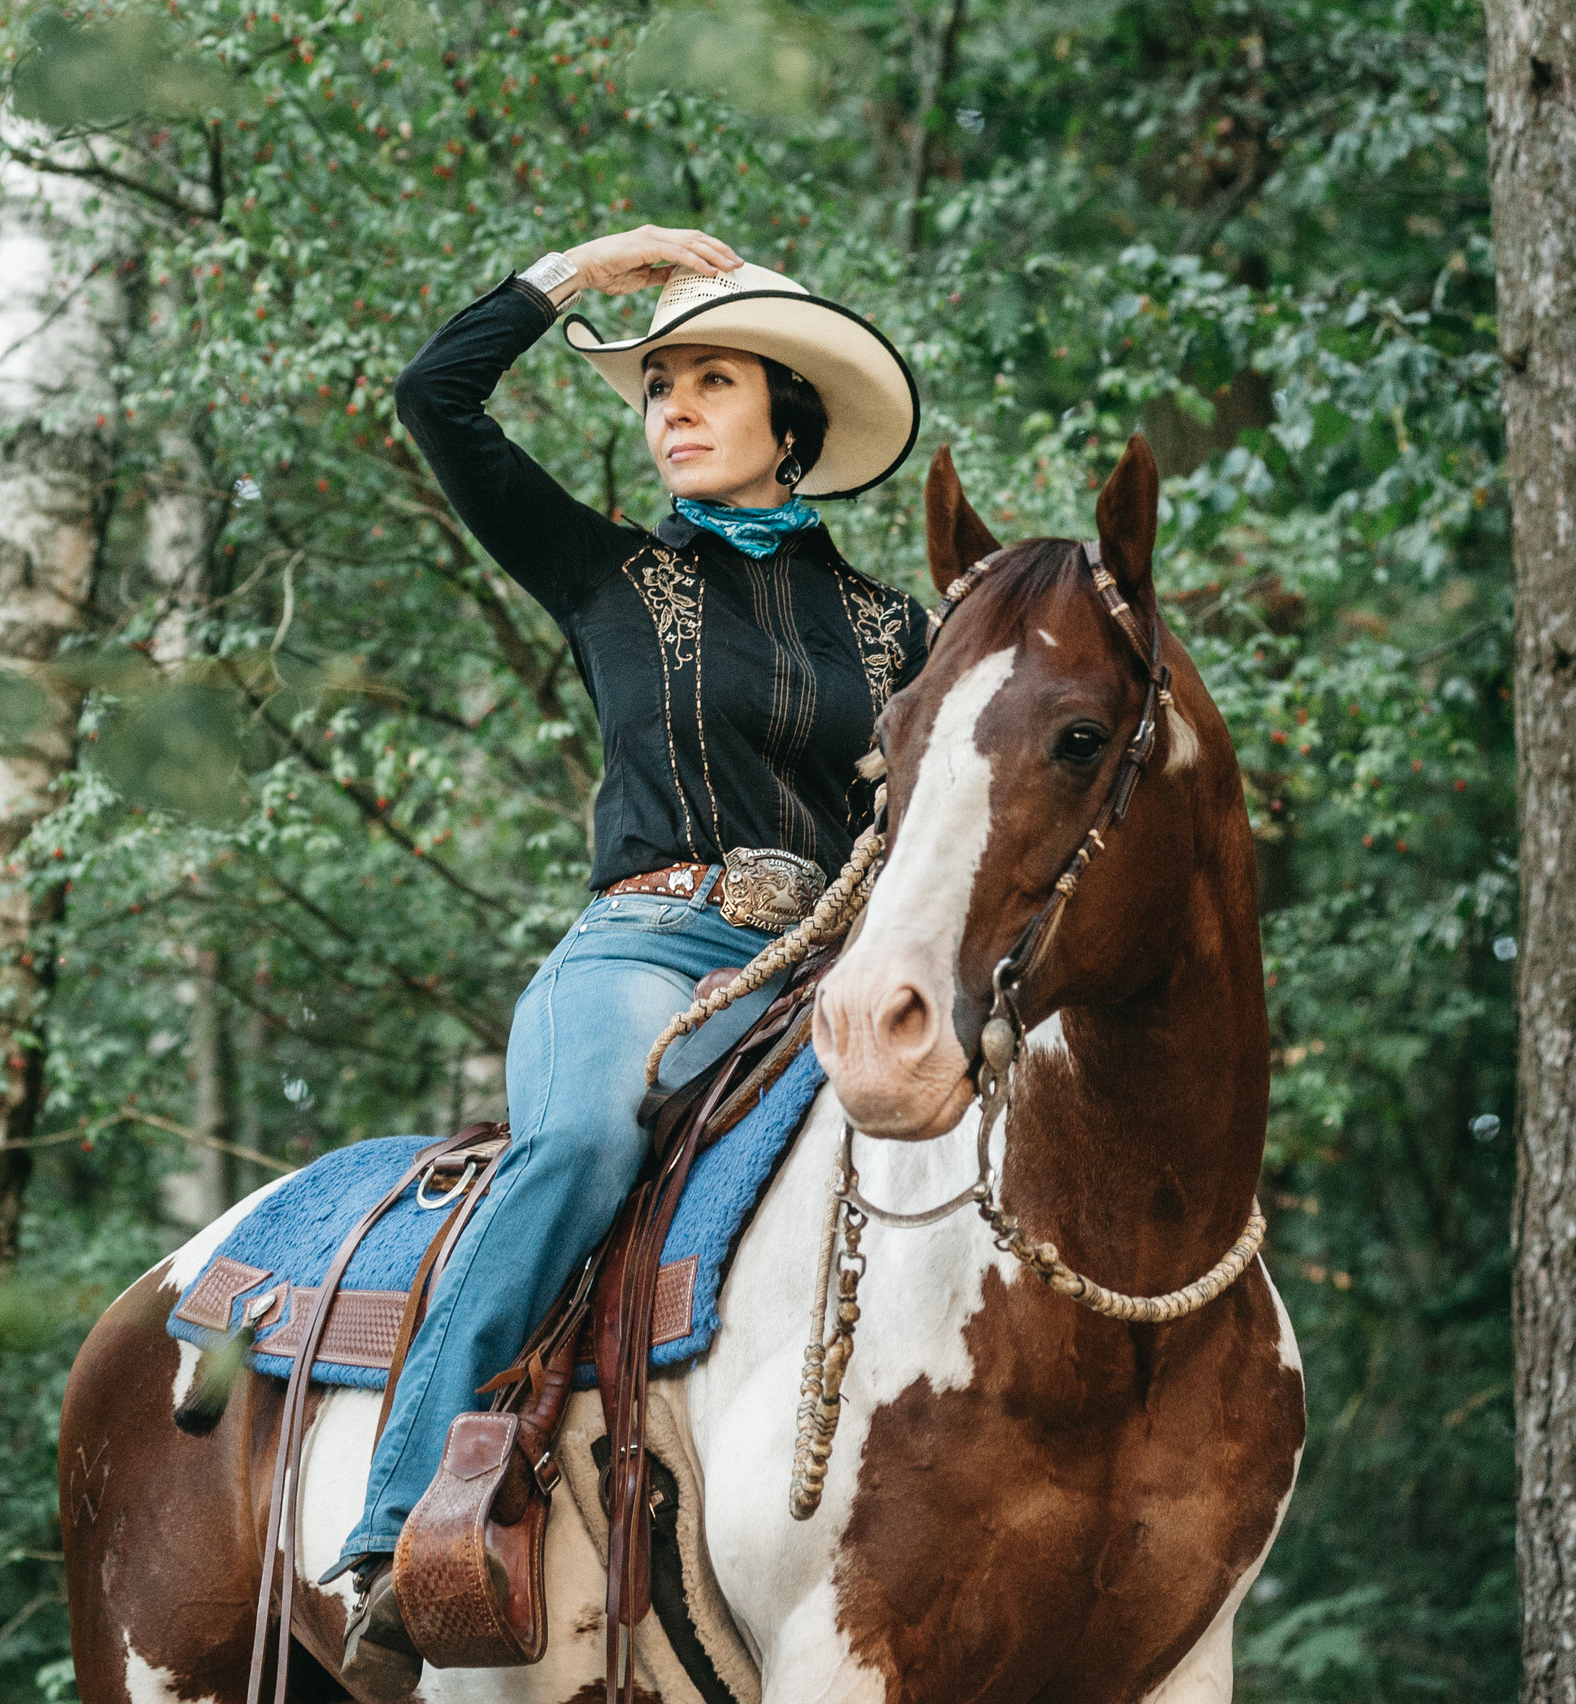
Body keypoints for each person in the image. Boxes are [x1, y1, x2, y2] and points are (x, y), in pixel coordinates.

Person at [332, 225, 931, 1702]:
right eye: (659, 386)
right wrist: (580, 269)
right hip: (650, 951)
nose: (672, 407)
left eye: (711, 380)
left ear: (791, 418)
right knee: (588, 1139)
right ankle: (402, 1530)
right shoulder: (607, 572)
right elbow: (434, 397)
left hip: (824, 975)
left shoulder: (898, 630)